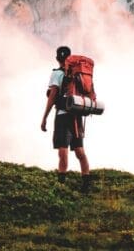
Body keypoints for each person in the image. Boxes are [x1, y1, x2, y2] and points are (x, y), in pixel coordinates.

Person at [41, 45, 92, 192]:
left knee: (62, 151)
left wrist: (45, 117)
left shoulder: (57, 73)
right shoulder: (77, 74)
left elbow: (52, 96)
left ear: (57, 58)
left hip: (63, 116)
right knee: (80, 151)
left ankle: (61, 185)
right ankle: (86, 184)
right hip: (77, 115)